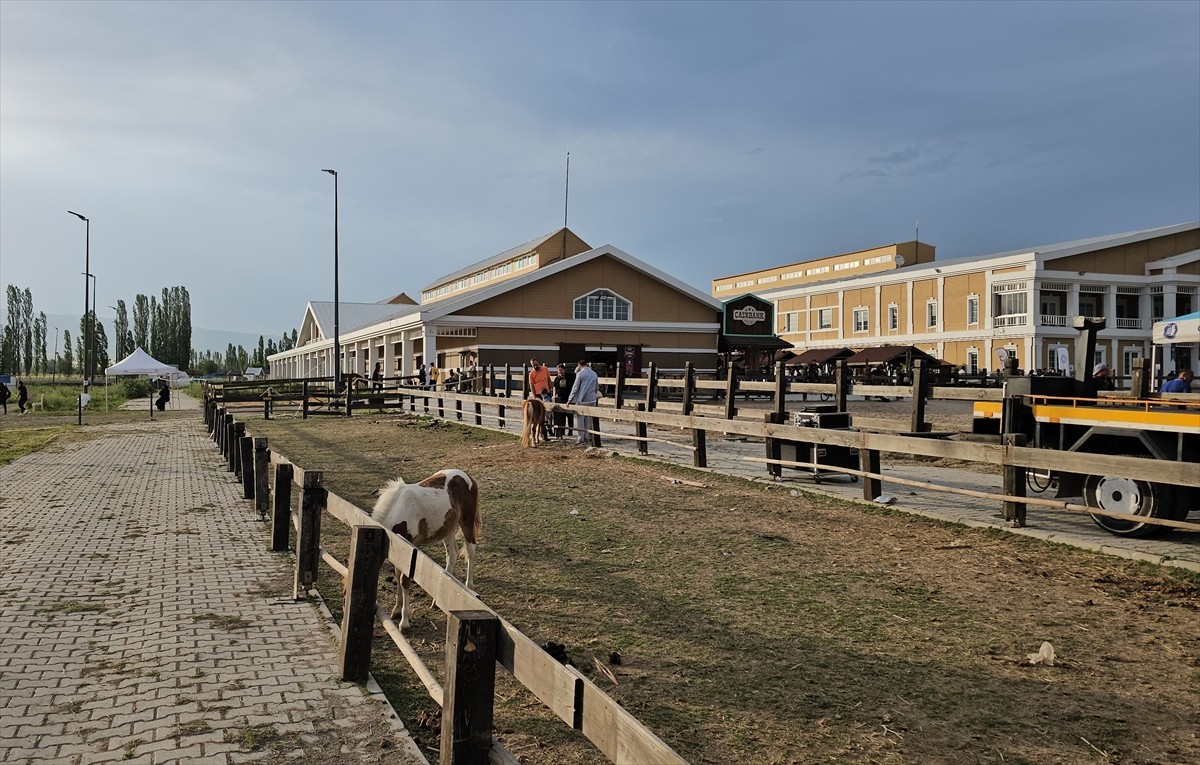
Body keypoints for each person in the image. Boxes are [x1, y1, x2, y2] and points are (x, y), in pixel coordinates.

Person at [567, 359, 599, 445]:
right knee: (588, 418)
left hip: (582, 399)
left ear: (579, 365)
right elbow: (596, 387)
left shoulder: (580, 374)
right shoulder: (594, 374)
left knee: (580, 419)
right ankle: (587, 436)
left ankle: (581, 437)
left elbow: (575, 387)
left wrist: (570, 399)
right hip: (592, 399)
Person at [551, 362, 575, 439]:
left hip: (568, 398)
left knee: (570, 415)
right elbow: (555, 387)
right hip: (560, 398)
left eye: (561, 370)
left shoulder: (570, 377)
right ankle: (563, 430)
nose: (560, 372)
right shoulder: (557, 378)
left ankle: (570, 430)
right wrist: (554, 396)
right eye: (558, 371)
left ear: (564, 370)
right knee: (562, 415)